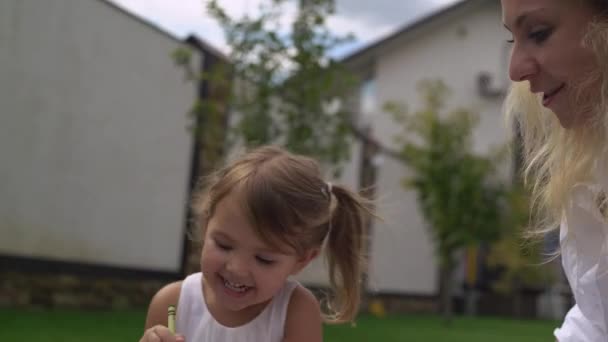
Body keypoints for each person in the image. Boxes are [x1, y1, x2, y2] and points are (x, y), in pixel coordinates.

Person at [139, 145, 372, 342]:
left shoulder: (295, 312)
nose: (237, 268)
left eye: (264, 259)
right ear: (206, 223)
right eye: (223, 245)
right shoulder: (172, 303)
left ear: (302, 260)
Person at [502, 0, 608, 340]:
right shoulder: (591, 169)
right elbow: (596, 316)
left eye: (538, 33)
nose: (515, 69)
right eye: (512, 41)